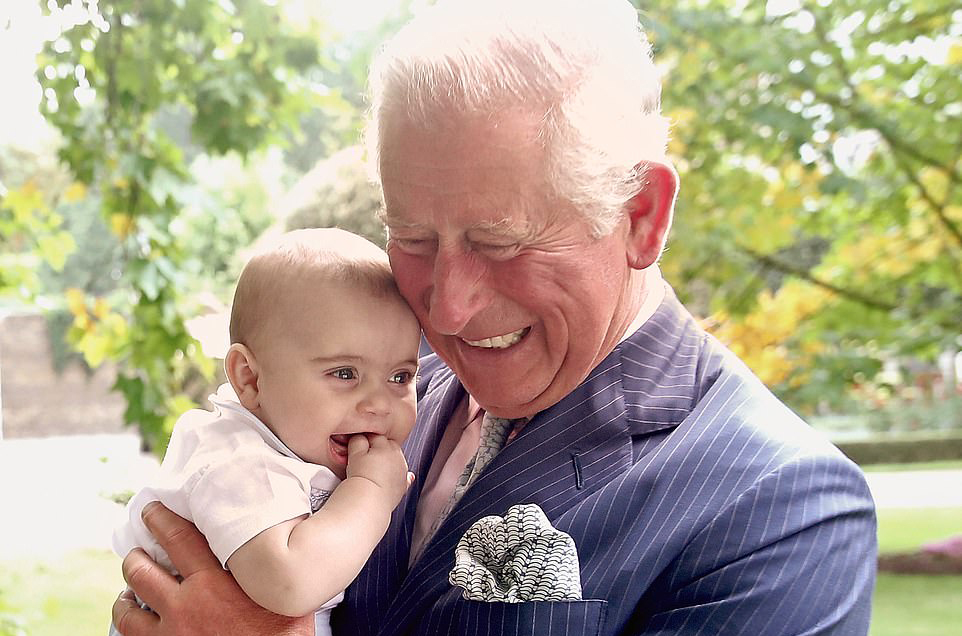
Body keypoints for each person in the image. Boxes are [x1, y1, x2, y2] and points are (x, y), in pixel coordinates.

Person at [112, 1, 877, 635]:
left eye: (499, 243)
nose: (444, 307)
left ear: (641, 216)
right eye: (411, 238)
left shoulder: (782, 508)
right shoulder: (384, 389)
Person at [110, 228, 421, 636]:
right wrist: (372, 492)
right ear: (250, 378)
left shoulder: (293, 446)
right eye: (344, 373)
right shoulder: (239, 462)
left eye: (400, 376)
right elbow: (291, 583)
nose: (378, 403)